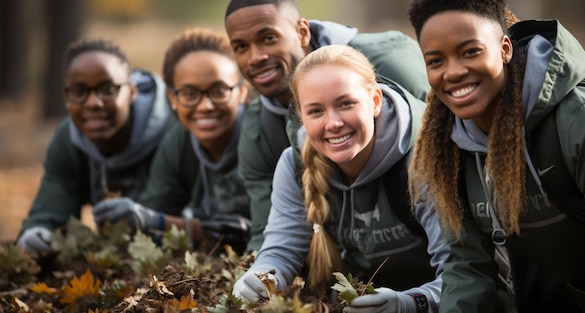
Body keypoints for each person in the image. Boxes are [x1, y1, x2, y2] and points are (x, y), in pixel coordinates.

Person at [407, 0, 585, 312]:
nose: (453, 72)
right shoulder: (449, 149)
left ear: (505, 48)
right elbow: (467, 267)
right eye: (435, 61)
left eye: (471, 51)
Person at [232, 45, 448, 313]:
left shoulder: (424, 161)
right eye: (315, 111)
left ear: (375, 101)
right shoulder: (293, 165)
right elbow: (282, 249)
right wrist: (261, 277)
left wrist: (409, 303)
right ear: (301, 116)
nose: (333, 123)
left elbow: (460, 272)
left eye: (346, 104)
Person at [224, 0, 431, 252]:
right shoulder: (259, 129)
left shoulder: (390, 64)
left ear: (302, 32)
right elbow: (268, 230)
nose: (256, 57)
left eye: (269, 38)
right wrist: (260, 275)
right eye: (241, 47)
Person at [91, 28, 252, 254]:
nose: (205, 106)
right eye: (189, 94)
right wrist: (132, 218)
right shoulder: (178, 141)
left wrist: (159, 222)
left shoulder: (262, 137)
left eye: (219, 91)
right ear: (171, 97)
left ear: (242, 92)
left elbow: (265, 232)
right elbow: (153, 212)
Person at [15, 38, 174, 255]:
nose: (93, 103)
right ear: (67, 96)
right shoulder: (69, 138)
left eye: (108, 89)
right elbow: (52, 205)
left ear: (132, 92)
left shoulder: (173, 130)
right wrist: (37, 233)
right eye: (79, 91)